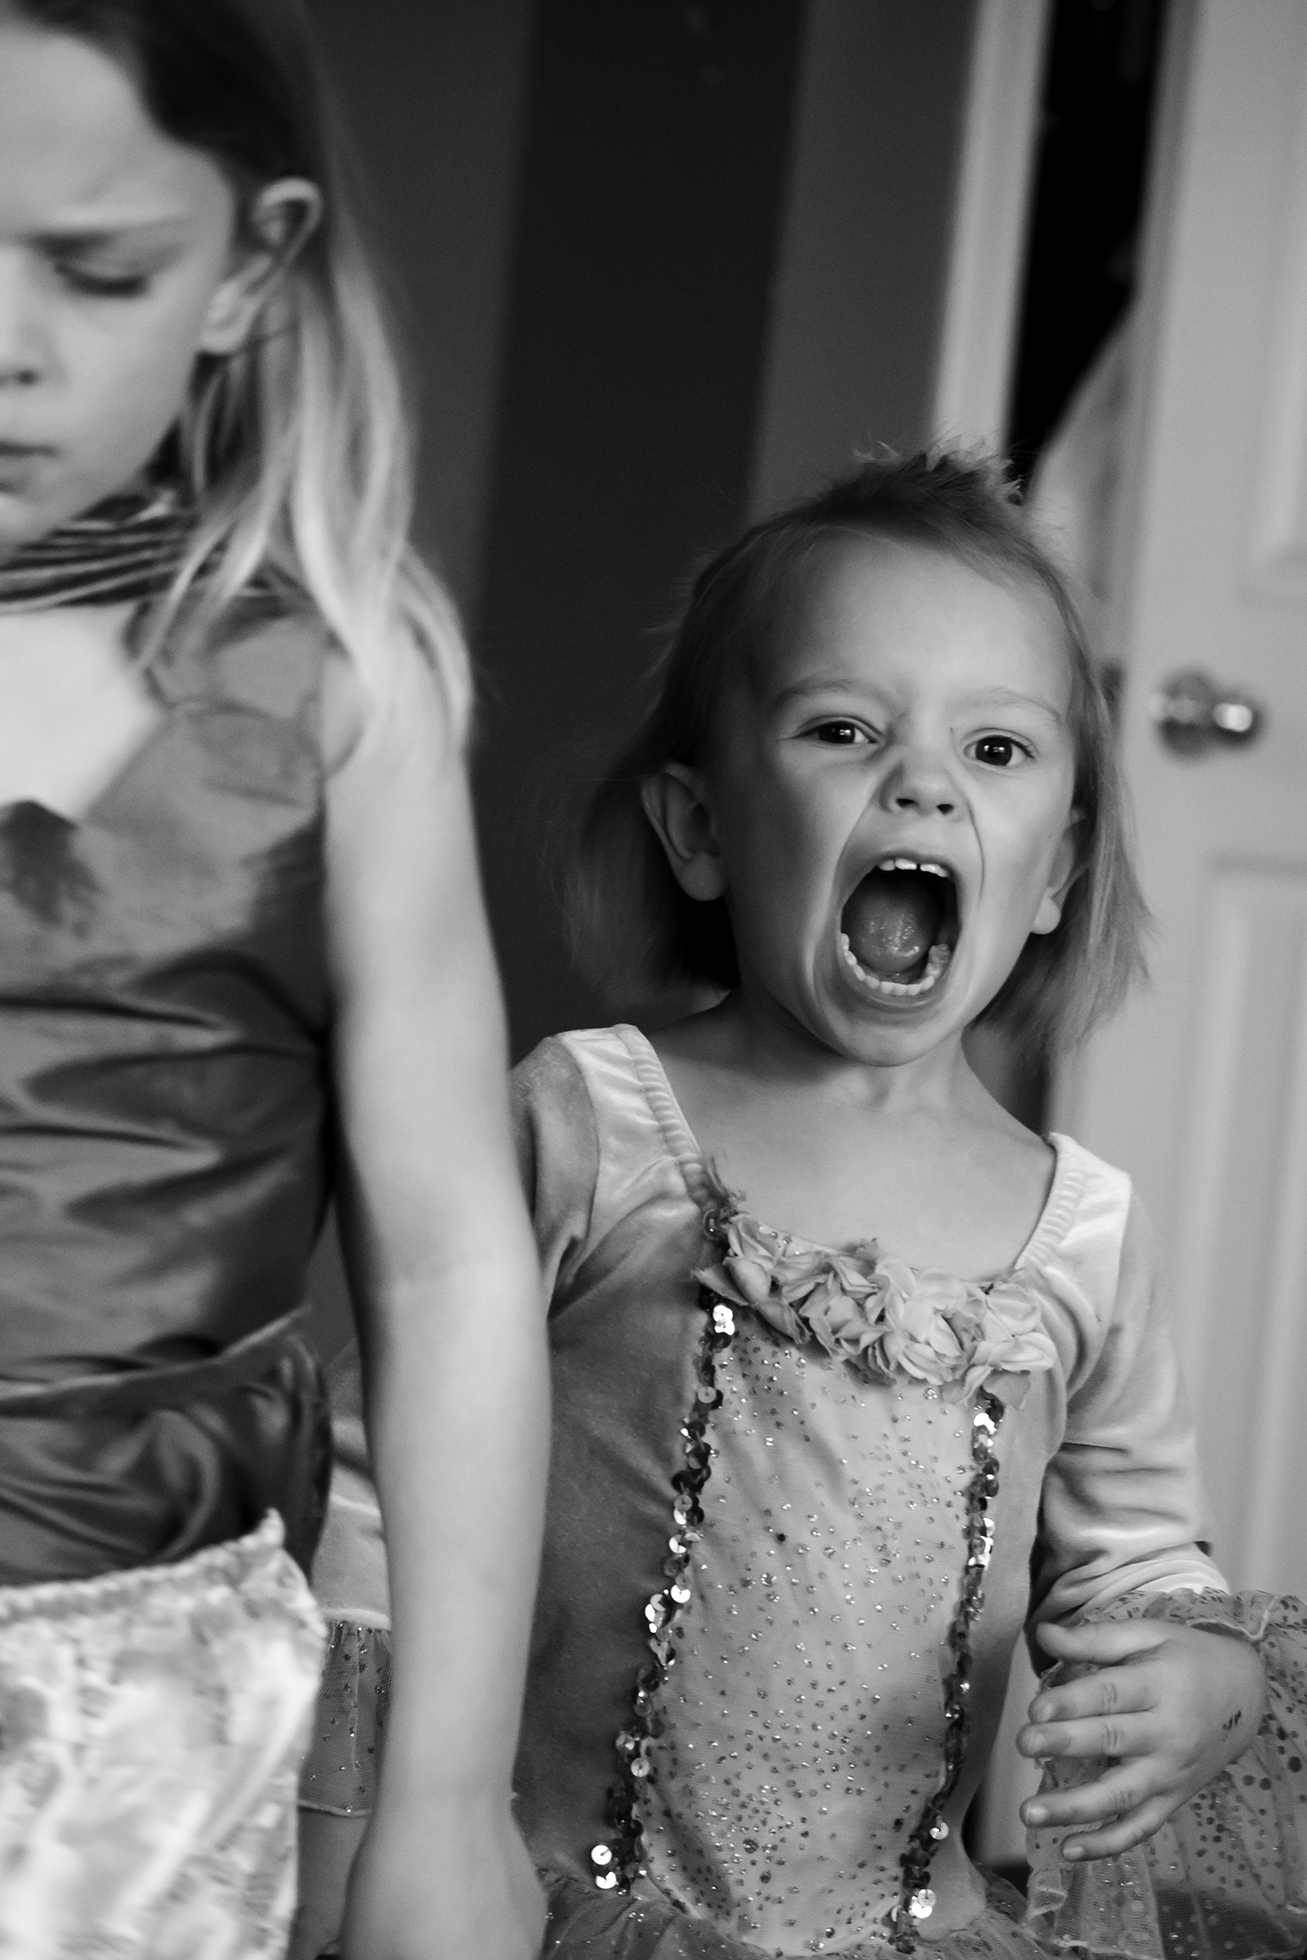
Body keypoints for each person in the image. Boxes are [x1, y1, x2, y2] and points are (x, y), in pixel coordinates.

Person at [306, 452, 1307, 1960]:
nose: (924, 781)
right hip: (556, 1904)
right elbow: (383, 1477)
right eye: (846, 730)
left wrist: (1198, 1679)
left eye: (998, 749)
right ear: (701, 830)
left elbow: (1140, 1560)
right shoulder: (596, 1123)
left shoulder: (1079, 1230)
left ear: (1055, 878)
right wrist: (369, 1828)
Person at [0, 5, 547, 1958]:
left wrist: (450, 1801)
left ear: (245, 269)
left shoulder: (336, 688)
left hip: (135, 1721)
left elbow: (447, 1256)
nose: (8, 339)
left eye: (99, 266)